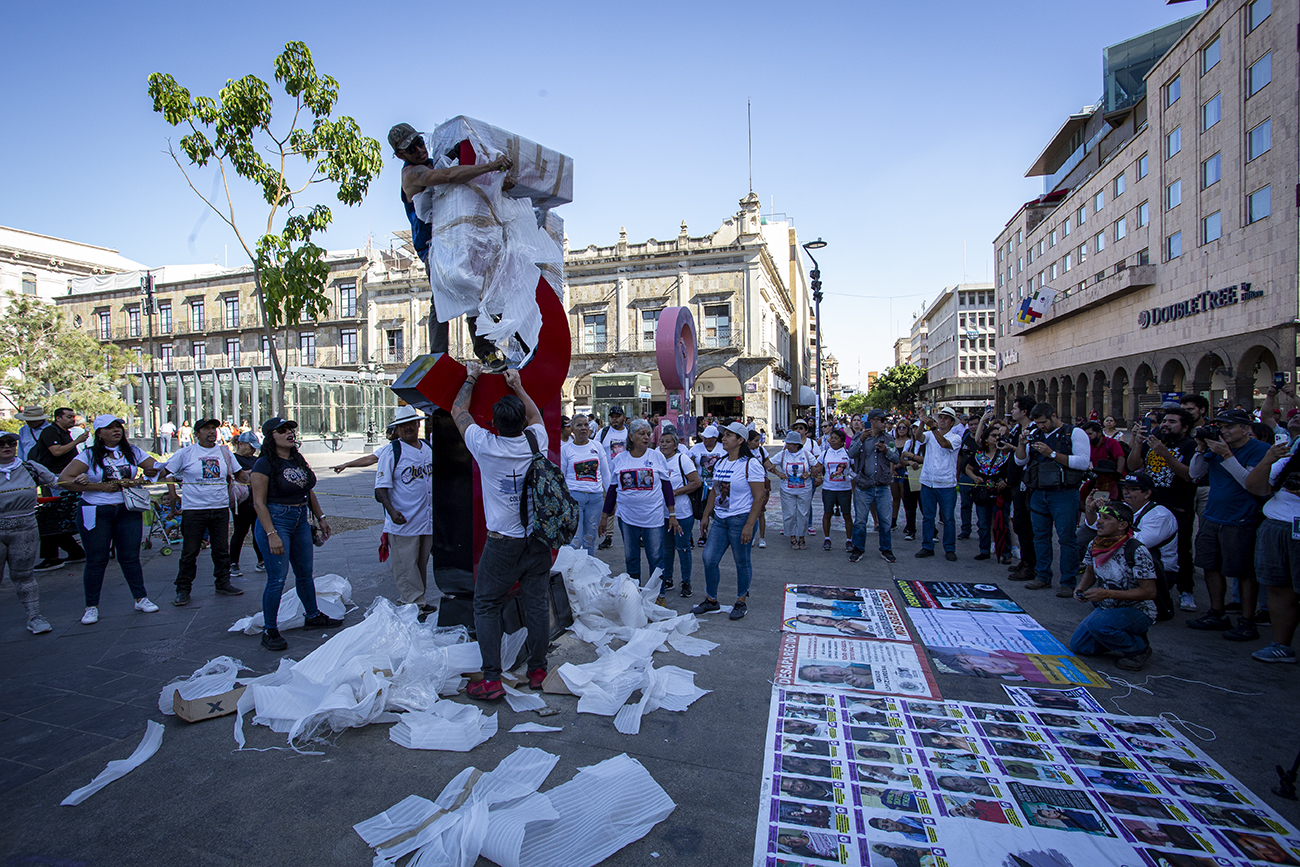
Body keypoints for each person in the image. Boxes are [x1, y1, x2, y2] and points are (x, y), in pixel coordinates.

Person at [452, 365, 552, 699]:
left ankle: (492, 678)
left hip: (502, 543)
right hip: (536, 540)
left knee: (485, 605)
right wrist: (518, 386)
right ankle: (538, 670)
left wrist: (471, 376)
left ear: (493, 424)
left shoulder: (483, 444)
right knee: (536, 604)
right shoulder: (535, 439)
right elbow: (536, 414)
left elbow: (458, 411)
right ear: (521, 422)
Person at [389, 122, 512, 370]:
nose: (419, 150)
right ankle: (439, 355)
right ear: (401, 155)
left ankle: (486, 350)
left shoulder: (436, 160)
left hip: (458, 239)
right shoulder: (412, 175)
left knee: (479, 289)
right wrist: (489, 166)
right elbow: (447, 176)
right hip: (432, 246)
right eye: (411, 149)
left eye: (419, 142)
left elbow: (457, 163)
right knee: (442, 295)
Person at [57, 415, 165, 624]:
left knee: (130, 556)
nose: (116, 431)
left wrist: (147, 475)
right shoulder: (88, 455)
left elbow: (157, 468)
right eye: (110, 428)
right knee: (96, 559)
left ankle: (140, 597)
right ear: (99, 433)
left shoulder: (132, 451)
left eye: (119, 427)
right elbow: (64, 479)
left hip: (127, 509)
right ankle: (91, 606)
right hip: (96, 509)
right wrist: (99, 487)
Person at [249, 417, 340, 652]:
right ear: (271, 437)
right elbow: (259, 503)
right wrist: (271, 534)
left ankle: (312, 615)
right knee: (277, 578)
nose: (289, 433)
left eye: (290, 429)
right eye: (282, 430)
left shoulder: (297, 460)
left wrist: (320, 517)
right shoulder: (264, 464)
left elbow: (308, 491)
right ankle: (270, 629)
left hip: (300, 519)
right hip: (276, 519)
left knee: (304, 574)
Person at [1186, 408, 1270, 641]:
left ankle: (1247, 620)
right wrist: (1201, 449)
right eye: (1221, 427)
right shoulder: (1216, 446)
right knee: (1211, 566)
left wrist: (1227, 456)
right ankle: (1217, 612)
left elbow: (1249, 483)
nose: (1224, 432)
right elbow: (1195, 473)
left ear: (1246, 429)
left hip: (1241, 519)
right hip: (1213, 516)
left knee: (1244, 572)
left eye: (1230, 427)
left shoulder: (1259, 450)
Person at [160, 417, 248, 606]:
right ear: (196, 433)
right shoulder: (186, 453)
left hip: (220, 508)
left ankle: (223, 583)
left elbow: (240, 474)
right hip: (194, 510)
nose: (211, 432)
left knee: (221, 549)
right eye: (206, 429)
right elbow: (166, 472)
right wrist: (173, 494)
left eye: (213, 428)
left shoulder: (225, 453)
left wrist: (258, 478)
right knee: (190, 552)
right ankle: (183, 589)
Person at [1069, 502, 1158, 670]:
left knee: (1098, 625)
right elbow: (1090, 572)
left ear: (1122, 525)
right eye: (1099, 517)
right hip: (1108, 606)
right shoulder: (1095, 543)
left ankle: (1139, 648)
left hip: (1137, 610)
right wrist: (1081, 588)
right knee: (1080, 646)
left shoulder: (1137, 550)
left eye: (1106, 518)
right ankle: (1117, 636)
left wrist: (1107, 594)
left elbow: (1149, 592)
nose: (1098, 522)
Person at [693, 421, 766, 621]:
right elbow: (714, 491)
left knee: (741, 561)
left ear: (740, 440)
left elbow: (759, 497)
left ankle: (741, 601)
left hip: (741, 519)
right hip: (720, 519)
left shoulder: (751, 465)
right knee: (709, 558)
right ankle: (711, 600)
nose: (723, 439)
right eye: (723, 435)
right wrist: (706, 515)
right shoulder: (721, 462)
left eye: (728, 436)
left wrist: (750, 525)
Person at [598, 418, 680, 598]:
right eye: (641, 433)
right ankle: (633, 595)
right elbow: (612, 490)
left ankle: (658, 595)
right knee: (631, 558)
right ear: (631, 436)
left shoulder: (657, 456)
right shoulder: (620, 459)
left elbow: (667, 487)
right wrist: (604, 516)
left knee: (656, 558)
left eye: (649, 434)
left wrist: (672, 513)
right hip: (627, 518)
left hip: (653, 517)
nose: (646, 437)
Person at [1016, 403, 1091, 595]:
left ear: (1054, 416)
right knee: (1040, 536)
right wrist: (1022, 444)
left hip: (1064, 492)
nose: (1041, 426)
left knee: (1067, 538)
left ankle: (1068, 581)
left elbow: (1083, 462)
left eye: (1043, 422)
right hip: (1039, 491)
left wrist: (1052, 454)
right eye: (1037, 423)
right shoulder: (1035, 433)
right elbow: (1020, 461)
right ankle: (1042, 576)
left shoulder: (1074, 433)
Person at [1130, 407, 1198, 611]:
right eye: (1165, 421)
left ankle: (1186, 591)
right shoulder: (1152, 441)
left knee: (1181, 551)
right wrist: (1137, 443)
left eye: (1173, 422)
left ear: (1185, 428)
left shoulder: (1189, 445)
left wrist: (1164, 453)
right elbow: (1134, 465)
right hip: (1151, 505)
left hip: (1177, 505)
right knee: (1147, 547)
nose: (1166, 424)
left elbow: (1189, 475)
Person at [374, 405, 435, 618]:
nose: (409, 428)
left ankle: (419, 601)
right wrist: (391, 511)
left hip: (426, 519)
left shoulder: (427, 448)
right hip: (404, 519)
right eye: (404, 425)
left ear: (418, 424)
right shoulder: (391, 452)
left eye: (412, 423)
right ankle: (411, 603)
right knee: (405, 566)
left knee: (420, 564)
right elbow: (381, 487)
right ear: (397, 429)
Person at [1244, 440, 1300, 662]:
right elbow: (1256, 487)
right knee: (1278, 587)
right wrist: (1268, 459)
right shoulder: (1288, 459)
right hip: (1277, 527)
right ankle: (1282, 645)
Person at [0, 432, 58, 633]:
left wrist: (83, 478)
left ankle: (35, 616)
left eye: (11, 443)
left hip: (25, 527)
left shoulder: (30, 468)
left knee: (24, 575)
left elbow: (59, 481)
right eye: (1, 444)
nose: (7, 447)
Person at [29, 406, 88, 571]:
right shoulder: (50, 432)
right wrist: (78, 441)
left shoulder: (64, 433)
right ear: (58, 418)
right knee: (53, 514)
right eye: (68, 416)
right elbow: (56, 452)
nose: (72, 420)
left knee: (60, 515)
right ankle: (54, 555)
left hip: (65, 477)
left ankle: (72, 552)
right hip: (54, 478)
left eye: (73, 417)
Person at [908, 407, 961, 561]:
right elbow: (918, 437)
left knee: (948, 518)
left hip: (946, 483)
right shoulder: (931, 434)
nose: (942, 420)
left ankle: (950, 548)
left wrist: (933, 427)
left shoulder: (955, 437)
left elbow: (944, 444)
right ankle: (927, 546)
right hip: (928, 482)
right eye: (941, 417)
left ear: (951, 422)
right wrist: (922, 422)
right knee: (927, 517)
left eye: (946, 418)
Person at [847, 409, 898, 564]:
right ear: (873, 421)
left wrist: (887, 451)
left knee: (885, 520)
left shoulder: (888, 438)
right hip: (864, 485)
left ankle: (886, 549)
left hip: (882, 486)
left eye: (885, 421)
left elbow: (896, 458)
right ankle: (858, 549)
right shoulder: (860, 437)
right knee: (860, 520)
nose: (885, 423)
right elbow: (851, 454)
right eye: (881, 420)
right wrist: (861, 439)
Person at [658, 426, 700, 598]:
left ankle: (686, 581)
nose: (664, 445)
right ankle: (667, 578)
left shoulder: (682, 460)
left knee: (683, 548)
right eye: (661, 442)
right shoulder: (656, 459)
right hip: (662, 514)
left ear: (675, 445)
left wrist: (675, 492)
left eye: (668, 442)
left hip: (682, 512)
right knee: (667, 548)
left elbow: (696, 482)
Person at [561, 414, 611, 555]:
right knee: (575, 540)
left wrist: (611, 498)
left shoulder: (597, 446)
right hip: (574, 499)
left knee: (590, 539)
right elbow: (562, 477)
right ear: (572, 429)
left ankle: (590, 570)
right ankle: (574, 573)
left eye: (586, 425)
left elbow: (606, 474)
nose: (583, 428)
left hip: (595, 499)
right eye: (579, 425)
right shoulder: (566, 450)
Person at [966, 417, 1014, 562]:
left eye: (999, 436)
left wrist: (1006, 481)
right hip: (983, 493)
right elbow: (968, 468)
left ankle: (1006, 552)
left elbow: (1014, 471)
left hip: (1001, 493)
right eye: (994, 435)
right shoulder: (979, 454)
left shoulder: (1006, 454)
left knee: (1002, 522)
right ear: (986, 438)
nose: (997, 438)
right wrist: (974, 477)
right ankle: (984, 549)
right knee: (984, 523)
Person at [767, 430, 818, 550]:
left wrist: (809, 473)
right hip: (787, 490)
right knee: (789, 514)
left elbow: (817, 466)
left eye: (790, 443)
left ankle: (802, 537)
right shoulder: (783, 454)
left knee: (803, 513)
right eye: (787, 443)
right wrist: (778, 473)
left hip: (804, 489)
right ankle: (792, 537)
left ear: (796, 445)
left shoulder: (806, 455)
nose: (787, 445)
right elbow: (769, 463)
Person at [595, 405, 630, 549]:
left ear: (623, 417)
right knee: (608, 507)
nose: (614, 419)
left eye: (617, 416)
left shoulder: (630, 433)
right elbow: (595, 450)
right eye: (612, 417)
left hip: (627, 478)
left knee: (629, 506)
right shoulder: (603, 433)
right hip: (606, 477)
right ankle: (608, 536)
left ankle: (636, 535)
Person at [229, 430, 264, 575]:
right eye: (250, 447)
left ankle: (261, 561)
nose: (253, 450)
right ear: (240, 444)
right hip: (241, 502)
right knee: (240, 531)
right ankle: (233, 563)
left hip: (256, 500)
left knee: (258, 531)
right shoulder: (233, 458)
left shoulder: (255, 459)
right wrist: (252, 472)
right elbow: (236, 474)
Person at [689, 424, 726, 545]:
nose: (705, 440)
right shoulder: (696, 448)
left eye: (708, 438)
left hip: (718, 486)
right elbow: (688, 461)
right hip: (702, 486)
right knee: (702, 511)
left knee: (718, 511)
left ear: (715, 438)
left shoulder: (723, 448)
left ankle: (719, 535)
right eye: (704, 437)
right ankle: (703, 535)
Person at [820, 428, 854, 552]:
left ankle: (849, 540)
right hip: (829, 488)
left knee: (846, 514)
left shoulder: (847, 454)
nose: (832, 441)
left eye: (835, 438)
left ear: (842, 441)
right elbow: (818, 467)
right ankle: (827, 538)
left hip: (844, 488)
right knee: (827, 513)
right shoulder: (825, 453)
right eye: (831, 438)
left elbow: (854, 468)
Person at [748, 429, 772, 548]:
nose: (758, 443)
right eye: (755, 441)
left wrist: (778, 472)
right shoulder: (744, 453)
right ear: (748, 441)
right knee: (749, 511)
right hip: (748, 484)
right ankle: (750, 535)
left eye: (759, 441)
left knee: (760, 511)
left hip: (761, 483)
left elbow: (768, 464)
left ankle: (762, 538)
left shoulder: (762, 451)